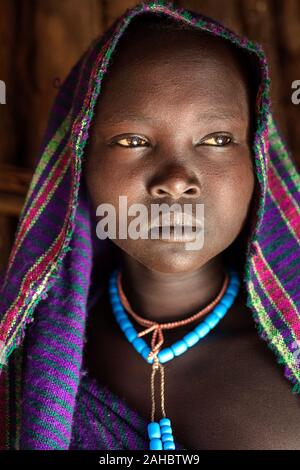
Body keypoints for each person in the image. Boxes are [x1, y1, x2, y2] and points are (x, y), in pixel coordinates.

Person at [0, 0, 299, 450]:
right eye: (132, 140)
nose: (177, 180)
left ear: (257, 160)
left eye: (217, 139)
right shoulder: (29, 353)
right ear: (80, 163)